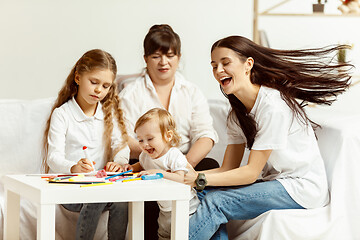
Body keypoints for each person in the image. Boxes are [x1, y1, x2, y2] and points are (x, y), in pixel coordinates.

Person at [184, 35, 353, 239]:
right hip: (276, 182)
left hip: (301, 187)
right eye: (214, 66)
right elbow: (228, 168)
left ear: (248, 65)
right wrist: (187, 179)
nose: (218, 71)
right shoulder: (236, 114)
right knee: (204, 194)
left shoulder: (272, 107)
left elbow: (250, 173)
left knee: (217, 202)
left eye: (225, 63)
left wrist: (199, 178)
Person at [119, 24, 219, 239]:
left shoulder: (192, 92)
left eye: (170, 55)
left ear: (178, 58)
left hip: (185, 159)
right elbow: (124, 136)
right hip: (148, 158)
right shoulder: (131, 93)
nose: (164, 62)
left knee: (211, 167)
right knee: (145, 180)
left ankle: (204, 228)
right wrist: (155, 156)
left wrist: (183, 165)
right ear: (145, 59)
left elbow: (206, 134)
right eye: (156, 56)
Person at [42, 49, 130, 240]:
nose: (99, 90)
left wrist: (119, 161)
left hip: (100, 185)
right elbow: (54, 157)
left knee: (121, 201)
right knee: (96, 196)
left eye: (106, 86)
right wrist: (73, 167)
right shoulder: (63, 114)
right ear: (78, 78)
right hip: (70, 187)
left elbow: (122, 146)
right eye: (94, 82)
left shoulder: (108, 113)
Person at [122, 108, 199, 240]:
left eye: (150, 139)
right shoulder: (145, 156)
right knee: (163, 235)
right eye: (140, 140)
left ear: (168, 136)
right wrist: (131, 168)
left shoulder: (174, 155)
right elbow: (142, 165)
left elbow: (181, 178)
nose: (145, 145)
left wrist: (161, 173)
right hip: (165, 210)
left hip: (186, 209)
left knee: (179, 236)